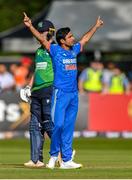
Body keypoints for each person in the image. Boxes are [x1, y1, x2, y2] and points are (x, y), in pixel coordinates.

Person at [23, 12, 103, 169]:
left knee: (68, 128)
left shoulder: (74, 51)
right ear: (62, 40)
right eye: (70, 37)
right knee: (57, 125)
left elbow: (85, 39)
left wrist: (96, 26)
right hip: (60, 93)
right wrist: (30, 26)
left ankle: (66, 160)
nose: (74, 38)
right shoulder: (54, 50)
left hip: (74, 95)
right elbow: (41, 38)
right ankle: (54, 156)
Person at [20, 19, 55, 167]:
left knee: (48, 124)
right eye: (39, 32)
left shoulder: (53, 48)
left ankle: (64, 153)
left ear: (51, 33)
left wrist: (30, 27)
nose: (40, 35)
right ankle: (36, 160)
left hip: (49, 88)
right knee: (34, 126)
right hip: (36, 91)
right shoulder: (39, 51)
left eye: (43, 32)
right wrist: (29, 86)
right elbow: (37, 69)